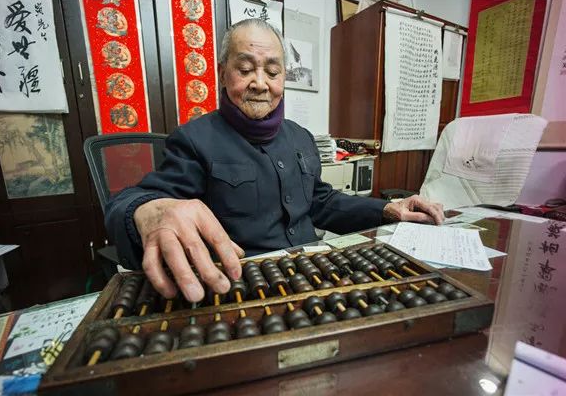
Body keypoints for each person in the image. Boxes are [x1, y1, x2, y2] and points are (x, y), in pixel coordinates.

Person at [105, 19, 444, 303]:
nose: (260, 83)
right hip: (244, 289)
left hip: (315, 277)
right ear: (223, 74)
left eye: (272, 71)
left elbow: (320, 202)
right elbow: (128, 203)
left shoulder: (301, 137)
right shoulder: (193, 139)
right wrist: (148, 212)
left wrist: (388, 209)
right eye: (245, 69)